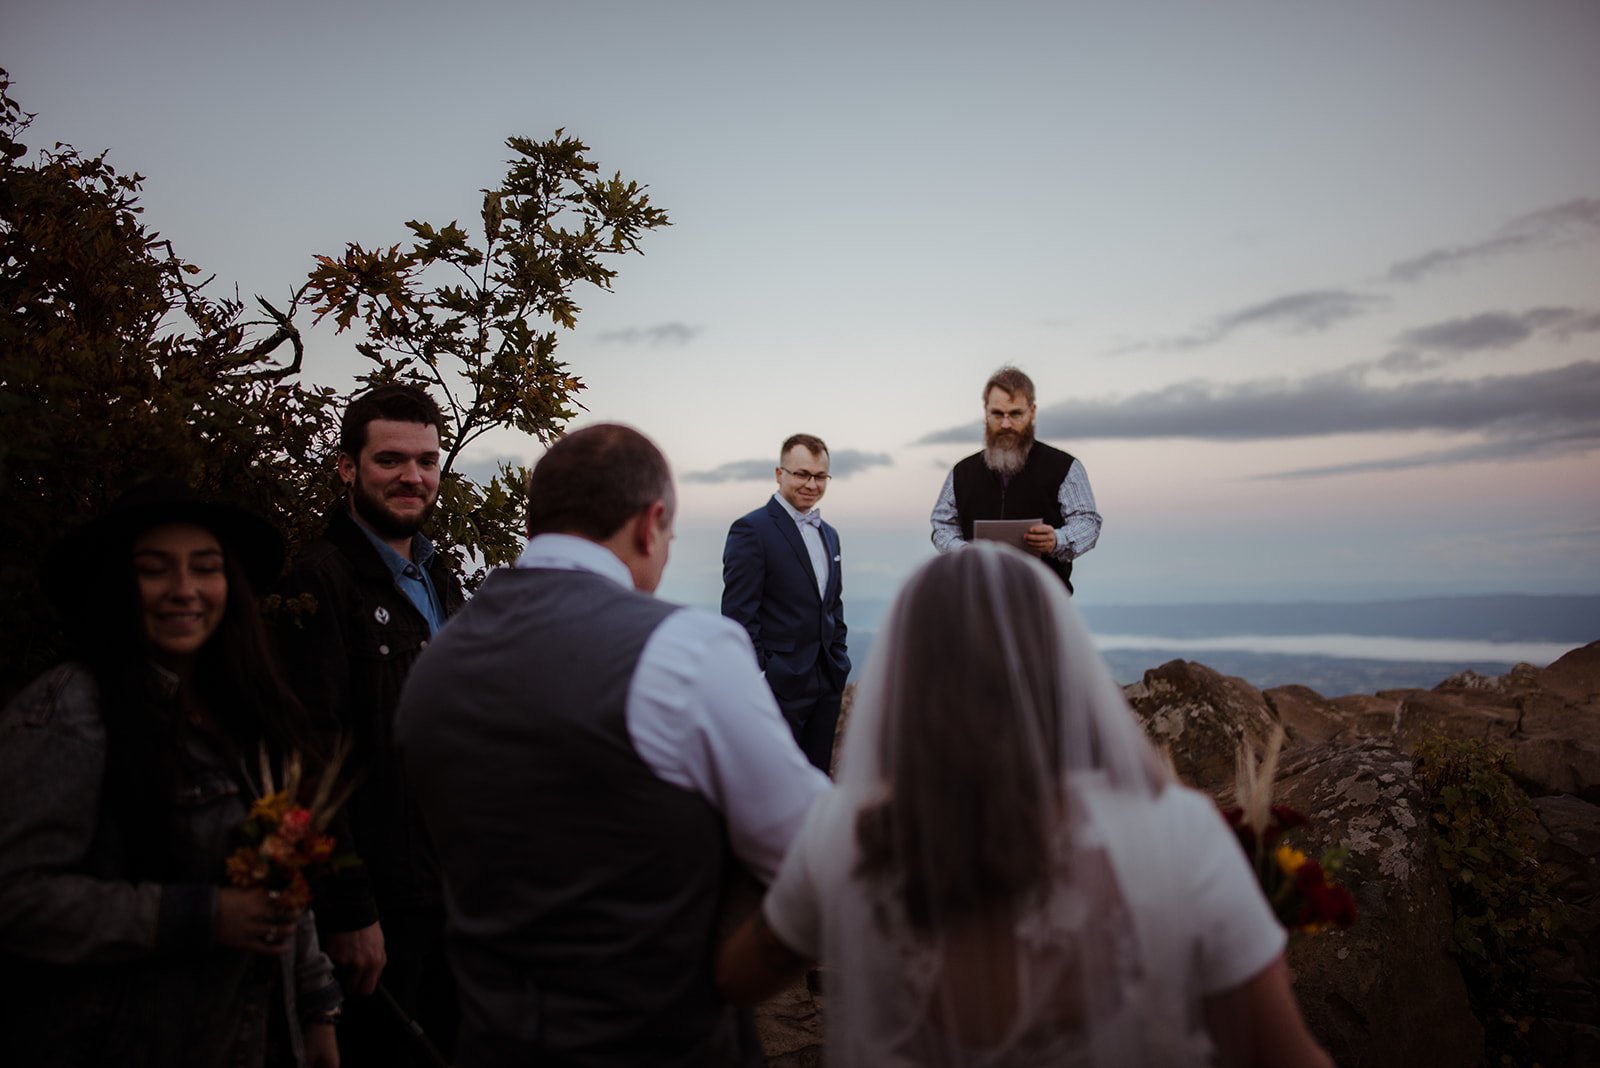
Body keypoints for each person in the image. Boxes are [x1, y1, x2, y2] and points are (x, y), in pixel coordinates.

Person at [717, 543, 1334, 1067]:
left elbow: (738, 977)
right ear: (1060, 668)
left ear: (908, 682)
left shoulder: (846, 834)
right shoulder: (1179, 837)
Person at [395, 423, 829, 1067]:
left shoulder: (433, 665)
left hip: (490, 1038)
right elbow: (823, 859)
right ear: (652, 523)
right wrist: (743, 972)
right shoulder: (684, 650)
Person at [0, 479, 342, 1068]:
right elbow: (16, 901)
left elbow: (282, 882)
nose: (184, 590)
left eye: (205, 568)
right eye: (155, 569)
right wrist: (201, 916)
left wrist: (316, 1010)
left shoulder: (247, 714)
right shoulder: (69, 713)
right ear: (115, 587)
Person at [274, 383, 465, 1065]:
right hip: (383, 902)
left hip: (451, 886)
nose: (412, 476)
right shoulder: (317, 583)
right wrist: (350, 910)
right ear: (347, 468)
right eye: (390, 460)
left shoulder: (438, 574)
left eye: (427, 460)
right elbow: (308, 763)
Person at [721, 433, 851, 773]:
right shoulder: (751, 530)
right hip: (779, 688)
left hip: (827, 683)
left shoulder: (830, 533)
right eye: (801, 474)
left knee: (817, 783)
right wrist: (763, 675)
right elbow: (738, 615)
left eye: (820, 476)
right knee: (773, 783)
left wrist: (839, 657)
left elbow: (832, 605)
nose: (812, 484)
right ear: (780, 474)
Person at [930, 365, 1101, 593]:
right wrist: (961, 551)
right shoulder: (962, 472)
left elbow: (1088, 521)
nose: (1005, 424)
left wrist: (1058, 539)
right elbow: (942, 525)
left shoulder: (1065, 467)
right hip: (975, 602)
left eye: (1015, 414)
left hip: (1043, 603)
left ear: (1032, 411)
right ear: (986, 412)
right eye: (997, 414)